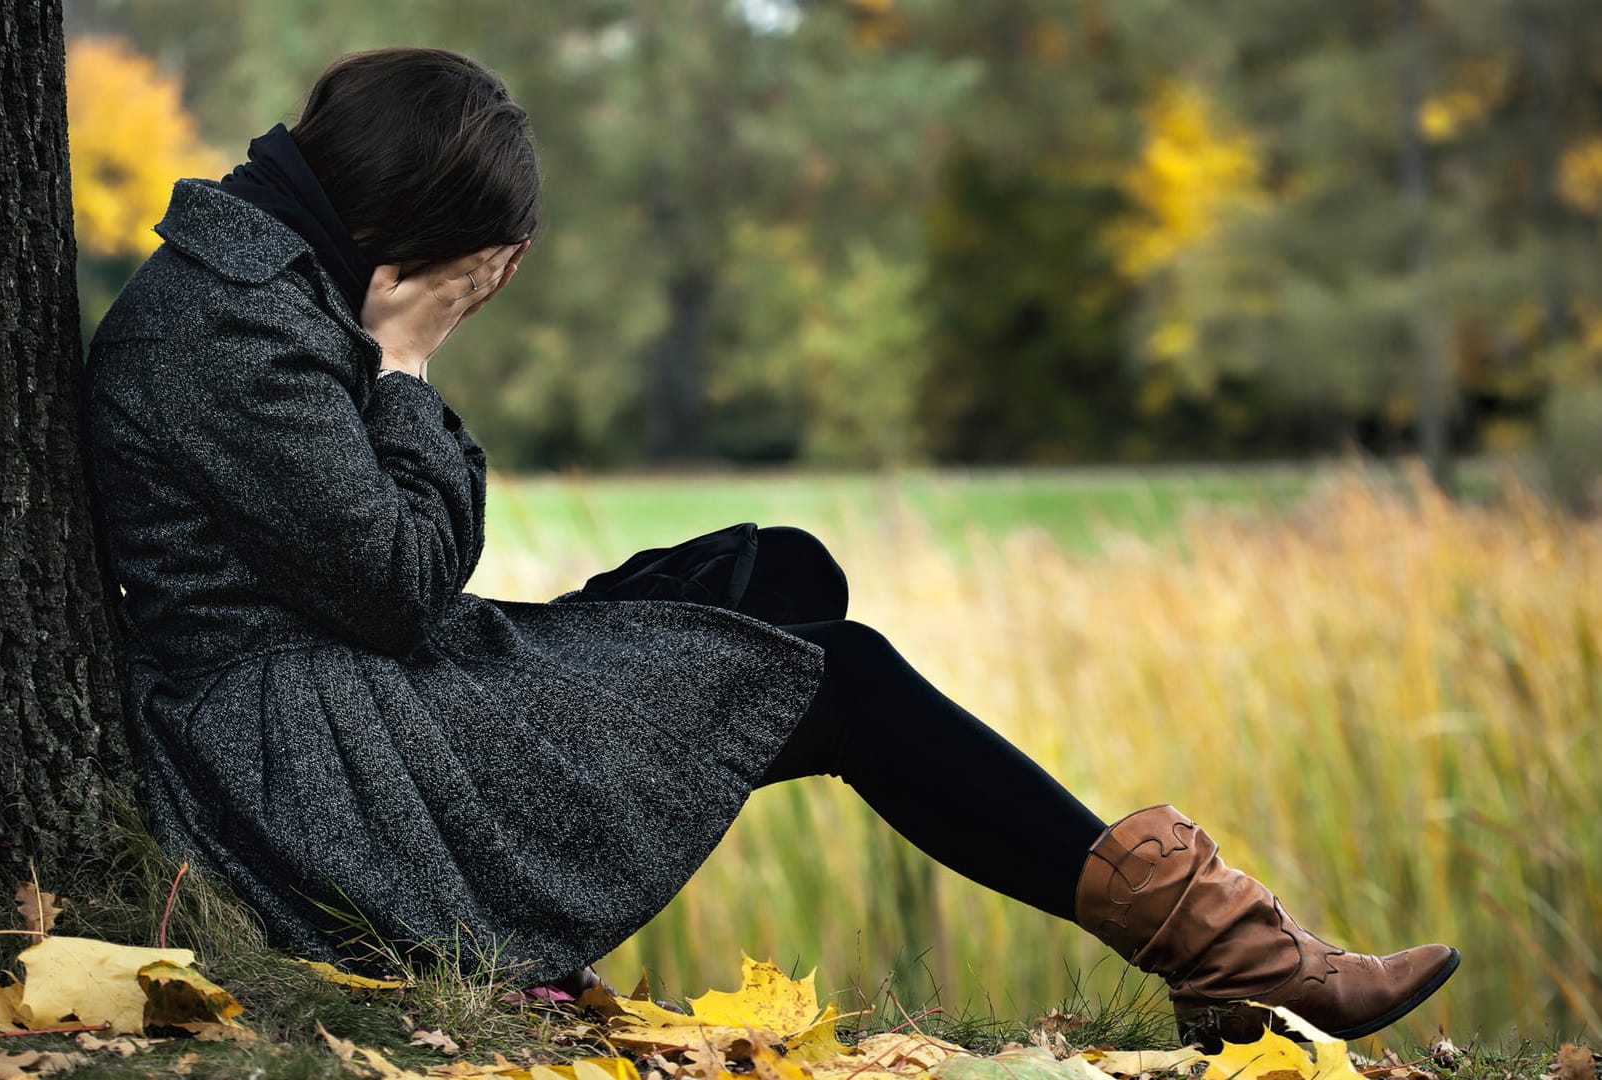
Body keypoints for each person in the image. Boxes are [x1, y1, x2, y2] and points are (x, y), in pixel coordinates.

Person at [81, 46, 1458, 1050]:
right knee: (837, 675)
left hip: (347, 693)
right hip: (302, 758)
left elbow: (376, 569)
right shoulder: (240, 330)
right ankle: (1237, 961)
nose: (490, 293)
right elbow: (392, 585)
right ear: (412, 233)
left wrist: (392, 363)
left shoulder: (268, 279)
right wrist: (407, 369)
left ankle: (1226, 952)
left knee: (777, 575)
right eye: (485, 266)